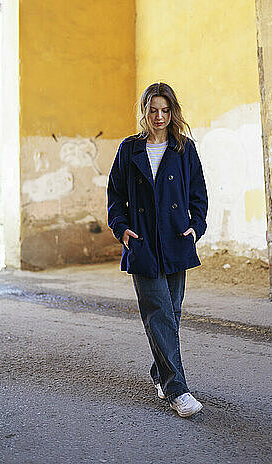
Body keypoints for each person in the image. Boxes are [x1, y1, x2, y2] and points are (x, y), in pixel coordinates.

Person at [107, 82, 208, 417]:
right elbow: (115, 197)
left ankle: (159, 373)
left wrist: (197, 226)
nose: (160, 116)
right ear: (145, 111)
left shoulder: (184, 149)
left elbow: (198, 194)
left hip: (177, 239)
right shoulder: (129, 149)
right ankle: (177, 390)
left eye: (166, 110)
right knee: (159, 314)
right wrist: (122, 230)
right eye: (153, 110)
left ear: (172, 111)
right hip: (143, 243)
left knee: (172, 315)